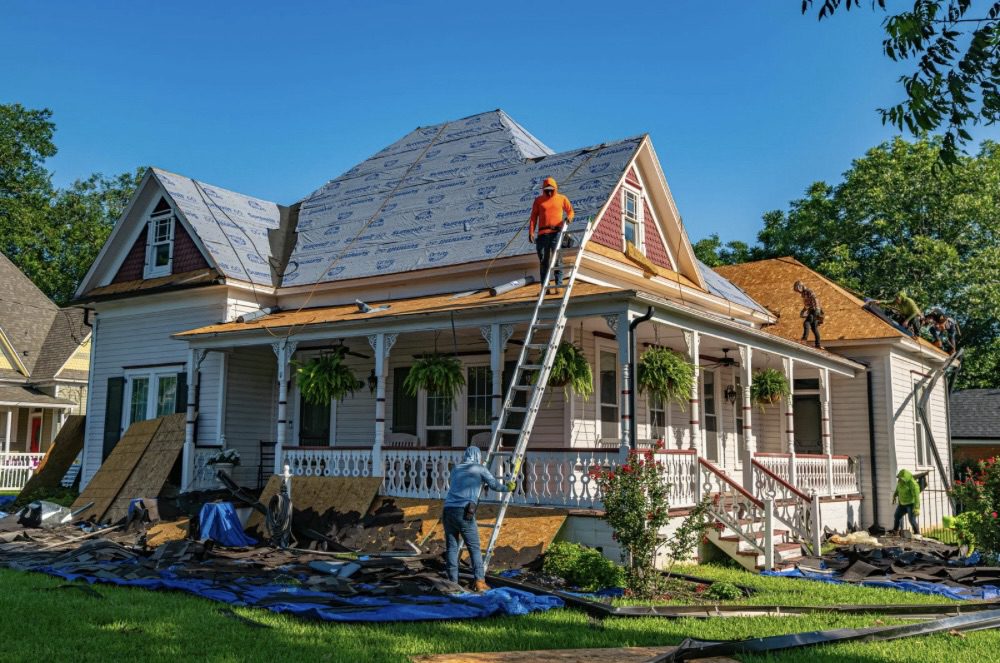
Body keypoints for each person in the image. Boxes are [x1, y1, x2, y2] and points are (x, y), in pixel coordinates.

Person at [442, 446, 514, 591]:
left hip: (448, 509)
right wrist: (508, 488)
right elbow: (494, 485)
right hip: (464, 511)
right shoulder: (479, 468)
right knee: (474, 548)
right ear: (477, 456)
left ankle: (452, 583)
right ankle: (480, 582)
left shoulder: (456, 469)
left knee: (452, 547)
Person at [528, 177, 574, 294]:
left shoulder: (561, 198)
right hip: (542, 234)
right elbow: (533, 217)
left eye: (551, 190)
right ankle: (545, 288)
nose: (549, 192)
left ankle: (558, 285)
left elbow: (570, 211)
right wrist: (531, 232)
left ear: (555, 189)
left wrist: (568, 219)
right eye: (547, 190)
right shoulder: (538, 200)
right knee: (543, 261)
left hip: (556, 233)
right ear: (543, 189)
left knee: (557, 260)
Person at [793, 280, 823, 348]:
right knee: (814, 328)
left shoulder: (809, 291)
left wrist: (816, 310)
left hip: (815, 310)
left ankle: (804, 339)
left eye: (798, 289)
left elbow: (815, 299)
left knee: (806, 323)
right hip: (813, 310)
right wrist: (803, 311)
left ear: (800, 286)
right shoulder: (803, 294)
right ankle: (818, 344)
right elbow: (807, 304)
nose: (798, 292)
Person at [891, 469, 921, 535]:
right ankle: (895, 531)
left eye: (902, 478)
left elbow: (916, 497)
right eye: (900, 478)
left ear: (906, 478)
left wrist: (916, 508)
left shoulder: (913, 484)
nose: (900, 479)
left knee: (911, 520)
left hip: (911, 504)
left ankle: (917, 533)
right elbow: (898, 489)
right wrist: (894, 495)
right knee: (897, 516)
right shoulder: (900, 482)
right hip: (902, 503)